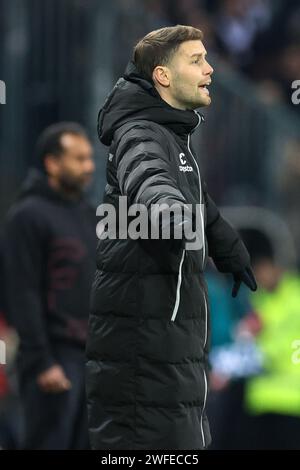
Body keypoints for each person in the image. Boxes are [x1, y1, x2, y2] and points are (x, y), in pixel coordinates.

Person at [86, 25, 257, 450]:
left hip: (165, 345)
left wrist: (226, 245)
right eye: (196, 60)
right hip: (143, 352)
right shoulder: (140, 134)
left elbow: (194, 197)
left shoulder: (172, 135)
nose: (211, 69)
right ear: (162, 76)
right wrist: (168, 211)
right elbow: (151, 183)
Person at [4, 122, 96, 449]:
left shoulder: (88, 213)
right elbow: (21, 291)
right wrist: (41, 360)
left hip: (90, 357)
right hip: (53, 356)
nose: (89, 167)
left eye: (89, 158)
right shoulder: (27, 215)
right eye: (78, 159)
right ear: (52, 163)